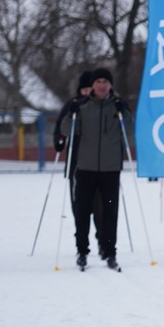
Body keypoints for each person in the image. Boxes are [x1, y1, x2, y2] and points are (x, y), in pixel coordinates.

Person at [60, 67, 129, 271]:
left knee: (110, 212)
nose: (102, 85)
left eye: (105, 82)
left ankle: (110, 252)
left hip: (110, 170)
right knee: (82, 212)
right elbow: (66, 129)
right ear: (93, 85)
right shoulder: (83, 107)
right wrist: (70, 113)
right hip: (86, 168)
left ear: (110, 85)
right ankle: (82, 251)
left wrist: (124, 110)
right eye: (98, 82)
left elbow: (130, 130)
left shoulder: (116, 107)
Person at [54, 70, 104, 255]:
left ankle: (102, 238)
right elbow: (61, 127)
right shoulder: (72, 105)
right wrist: (59, 141)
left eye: (90, 89)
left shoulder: (101, 106)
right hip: (76, 163)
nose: (87, 93)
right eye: (84, 90)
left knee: (100, 205)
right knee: (79, 206)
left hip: (99, 164)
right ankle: (81, 240)